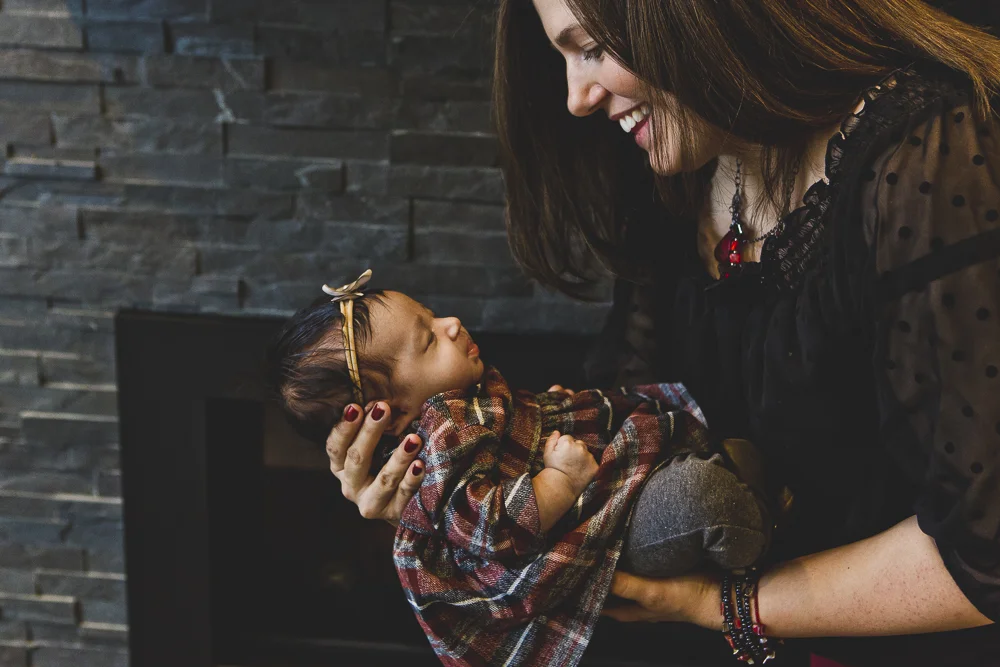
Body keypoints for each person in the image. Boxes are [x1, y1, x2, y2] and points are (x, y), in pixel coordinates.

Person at [324, 0, 1000, 664]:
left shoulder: (932, 154)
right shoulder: (686, 161)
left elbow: (987, 553)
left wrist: (725, 606)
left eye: (590, 47)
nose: (576, 98)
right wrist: (446, 501)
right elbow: (622, 449)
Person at [267, 271, 772, 666]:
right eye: (427, 341)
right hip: (597, 534)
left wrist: (542, 417)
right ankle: (761, 535)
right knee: (696, 499)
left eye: (432, 315)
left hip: (607, 490)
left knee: (692, 469)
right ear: (394, 414)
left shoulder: (462, 406)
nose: (451, 324)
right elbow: (495, 528)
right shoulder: (443, 441)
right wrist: (558, 479)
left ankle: (739, 485)